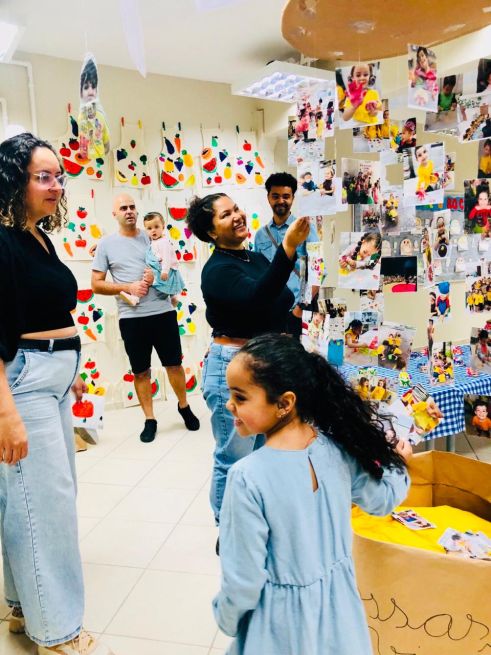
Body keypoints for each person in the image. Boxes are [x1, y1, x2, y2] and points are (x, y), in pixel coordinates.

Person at [213, 334, 411, 654]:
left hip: (279, 632)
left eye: (240, 397)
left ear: (284, 403)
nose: (229, 404)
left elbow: (243, 582)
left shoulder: (247, 478)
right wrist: (399, 464)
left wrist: (226, 619)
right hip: (341, 622)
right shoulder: (335, 449)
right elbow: (382, 499)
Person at [0, 133, 115, 654]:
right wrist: (6, 415)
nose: (55, 185)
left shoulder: (37, 237)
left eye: (58, 176)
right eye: (42, 176)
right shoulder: (3, 241)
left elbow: (48, 308)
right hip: (25, 383)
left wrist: (71, 370)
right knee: (44, 505)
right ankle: (57, 632)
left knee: (26, 499)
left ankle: (24, 607)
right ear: (13, 180)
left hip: (53, 379)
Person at [186, 194, 309, 529]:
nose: (238, 216)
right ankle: (227, 527)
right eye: (226, 214)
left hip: (263, 363)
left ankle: (252, 518)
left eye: (236, 208)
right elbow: (259, 298)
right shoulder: (216, 271)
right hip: (233, 367)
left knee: (261, 451)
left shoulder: (254, 258)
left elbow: (277, 295)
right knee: (234, 456)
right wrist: (288, 247)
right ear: (212, 232)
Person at [91, 194, 199, 443]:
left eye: (132, 207)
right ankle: (150, 419)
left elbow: (169, 259)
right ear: (114, 214)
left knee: (174, 365)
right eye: (123, 208)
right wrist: (127, 287)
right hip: (132, 317)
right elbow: (96, 284)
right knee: (141, 372)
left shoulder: (152, 235)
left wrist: (157, 277)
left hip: (163, 312)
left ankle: (184, 406)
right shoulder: (106, 245)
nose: (129, 211)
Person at [254, 172, 319, 339]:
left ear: (292, 199)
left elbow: (318, 272)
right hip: (269, 314)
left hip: (297, 312)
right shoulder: (260, 235)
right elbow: (258, 273)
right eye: (275, 196)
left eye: (286, 196)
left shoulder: (306, 228)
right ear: (268, 198)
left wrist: (300, 309)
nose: (281, 201)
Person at [143, 211, 185, 303]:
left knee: (167, 284)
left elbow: (167, 258)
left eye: (156, 227)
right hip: (159, 265)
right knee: (148, 277)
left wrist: (165, 271)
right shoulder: (153, 241)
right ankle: (172, 296)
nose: (153, 230)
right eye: (149, 228)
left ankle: (173, 297)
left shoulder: (164, 242)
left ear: (163, 227)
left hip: (167, 268)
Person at [78, 55, 110, 160]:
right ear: (81, 93)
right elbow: (82, 136)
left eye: (93, 87)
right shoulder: (82, 116)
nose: (90, 91)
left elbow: (105, 134)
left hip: (100, 155)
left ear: (97, 91)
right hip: (88, 155)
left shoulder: (100, 115)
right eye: (86, 87)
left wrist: (106, 145)